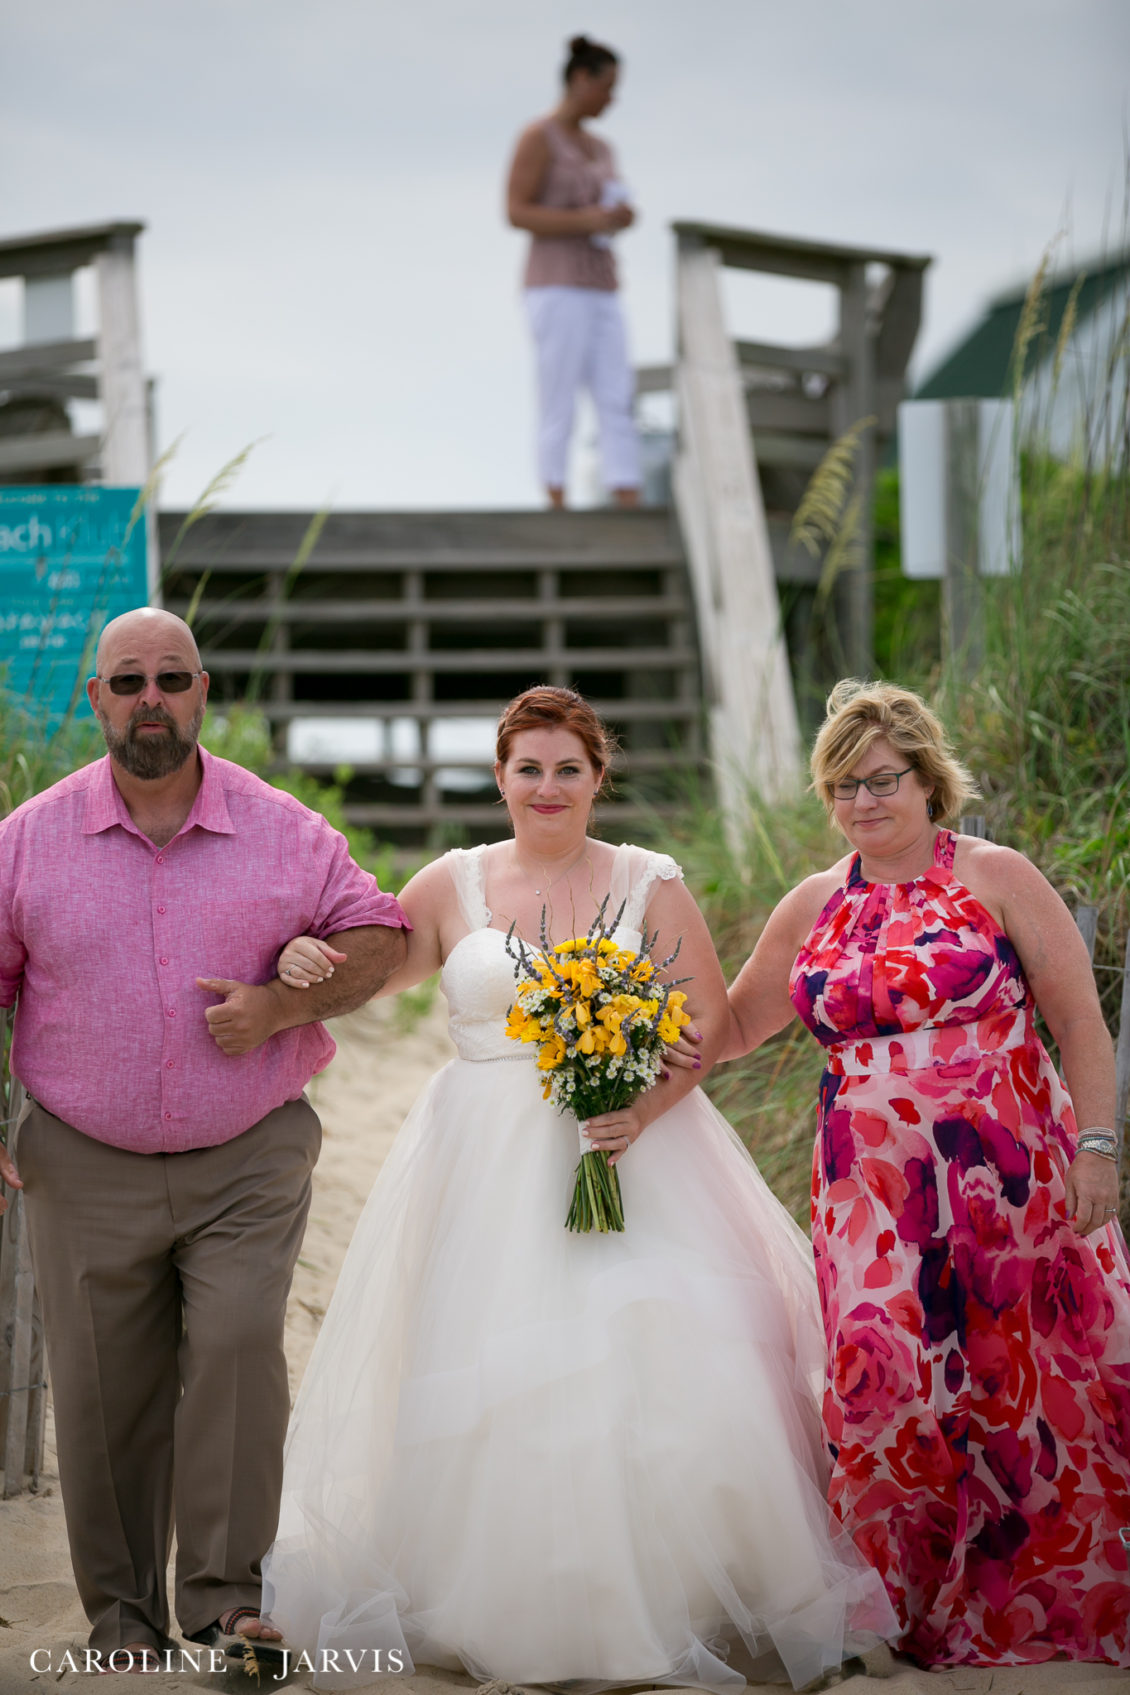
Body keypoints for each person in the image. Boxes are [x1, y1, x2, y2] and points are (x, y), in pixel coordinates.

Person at [260, 684, 895, 1693]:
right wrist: (301, 957)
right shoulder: (452, 882)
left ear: (598, 777)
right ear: (500, 777)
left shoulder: (647, 881)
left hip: (632, 1151)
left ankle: (672, 1603)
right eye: (528, 768)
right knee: (487, 1364)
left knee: (648, 1353)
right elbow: (374, 972)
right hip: (479, 1164)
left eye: (567, 768)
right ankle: (502, 1602)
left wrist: (637, 1111)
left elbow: (702, 1026)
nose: (546, 787)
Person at [0, 608, 409, 1676]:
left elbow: (381, 932)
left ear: (202, 692)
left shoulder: (285, 829)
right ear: (96, 697)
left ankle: (230, 1604)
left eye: (171, 678)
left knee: (237, 1347)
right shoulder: (26, 840)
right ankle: (123, 1619)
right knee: (102, 1387)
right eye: (129, 680)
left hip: (248, 1154)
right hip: (83, 1159)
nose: (152, 698)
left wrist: (282, 1006)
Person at [717, 678, 1130, 1668]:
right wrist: (612, 1033)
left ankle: (1033, 1609)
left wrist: (1098, 1149)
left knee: (1020, 1385)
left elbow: (1078, 1020)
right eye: (843, 785)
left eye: (882, 780)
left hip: (1008, 1176)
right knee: (882, 1382)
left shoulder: (994, 876)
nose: (862, 801)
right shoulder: (814, 902)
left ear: (926, 780)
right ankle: (887, 1607)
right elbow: (729, 1026)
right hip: (869, 1194)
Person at [507, 34, 642, 510]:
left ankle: (627, 493)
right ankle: (555, 496)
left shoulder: (602, 147)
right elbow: (516, 211)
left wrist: (620, 217)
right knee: (558, 392)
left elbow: (613, 200)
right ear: (580, 79)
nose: (611, 99)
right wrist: (585, 221)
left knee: (617, 392)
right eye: (607, 87)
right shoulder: (537, 137)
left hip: (602, 283)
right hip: (555, 283)